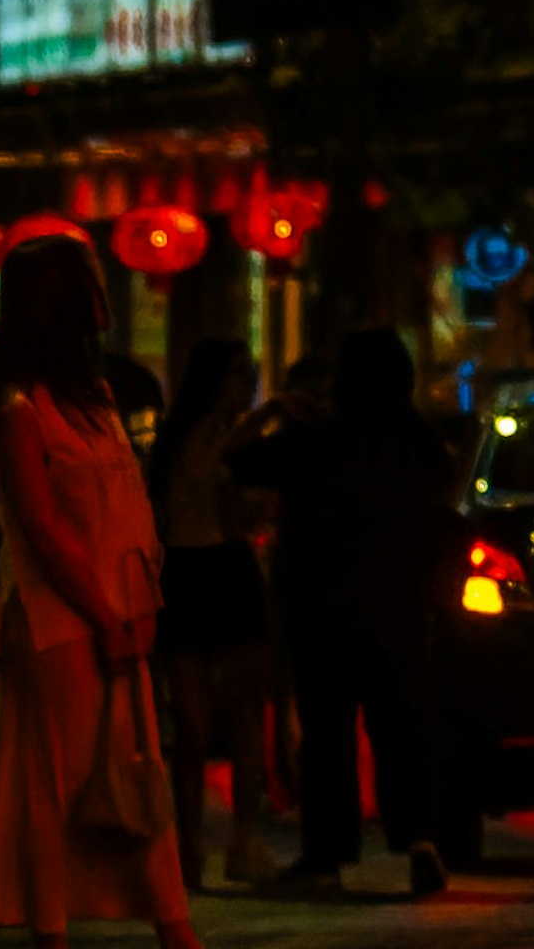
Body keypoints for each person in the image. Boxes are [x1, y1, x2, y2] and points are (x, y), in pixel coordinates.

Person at [0, 242, 190, 949]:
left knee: (133, 773)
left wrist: (136, 605)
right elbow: (45, 529)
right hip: (60, 618)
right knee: (54, 779)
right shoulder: (20, 409)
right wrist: (105, 610)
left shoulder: (95, 397)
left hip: (118, 611)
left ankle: (171, 926)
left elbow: (122, 509)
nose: (103, 297)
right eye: (88, 284)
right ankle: (57, 930)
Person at [258, 337, 451, 905]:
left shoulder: (319, 439)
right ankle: (419, 839)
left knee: (327, 736)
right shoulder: (418, 443)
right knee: (402, 727)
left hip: (323, 606)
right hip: (398, 605)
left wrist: (280, 415)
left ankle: (326, 856)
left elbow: (244, 463)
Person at [147, 348, 268, 894]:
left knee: (239, 715)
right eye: (240, 377)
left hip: (213, 567)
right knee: (196, 726)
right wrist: (271, 413)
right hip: (199, 570)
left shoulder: (214, 441)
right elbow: (201, 471)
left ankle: (235, 840)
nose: (247, 388)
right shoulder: (195, 440)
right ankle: (193, 845)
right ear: (214, 382)